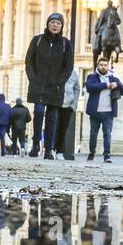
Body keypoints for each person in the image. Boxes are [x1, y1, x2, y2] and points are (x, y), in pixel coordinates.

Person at [25, 12, 74, 160]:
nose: (55, 25)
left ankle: (48, 148)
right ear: (47, 24)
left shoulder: (65, 44)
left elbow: (69, 66)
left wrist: (60, 82)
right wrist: (33, 79)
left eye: (58, 23)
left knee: (52, 118)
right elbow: (29, 62)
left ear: (62, 26)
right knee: (39, 112)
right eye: (52, 22)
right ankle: (35, 144)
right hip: (38, 85)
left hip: (56, 87)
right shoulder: (37, 40)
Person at [84, 55, 123, 162]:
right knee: (93, 134)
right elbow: (90, 87)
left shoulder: (113, 78)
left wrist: (117, 84)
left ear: (108, 66)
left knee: (107, 133)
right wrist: (106, 85)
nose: (103, 67)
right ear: (98, 66)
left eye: (105, 65)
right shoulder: (92, 77)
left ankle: (107, 155)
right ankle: (92, 153)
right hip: (95, 112)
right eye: (101, 65)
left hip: (108, 112)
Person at [57, 70, 80, 160]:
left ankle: (60, 151)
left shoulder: (73, 73)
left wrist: (74, 105)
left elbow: (77, 88)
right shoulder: (55, 68)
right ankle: (50, 149)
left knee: (63, 129)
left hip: (68, 105)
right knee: (53, 128)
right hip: (55, 103)